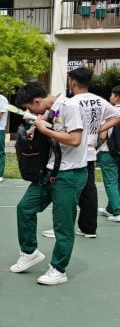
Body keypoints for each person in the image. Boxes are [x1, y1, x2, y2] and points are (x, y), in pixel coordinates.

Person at [9, 82, 88, 286]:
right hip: (49, 171)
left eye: (29, 107)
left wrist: (46, 130)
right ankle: (29, 252)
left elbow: (75, 139)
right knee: (25, 208)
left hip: (69, 174)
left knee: (62, 225)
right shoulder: (51, 111)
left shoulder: (69, 107)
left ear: (37, 101)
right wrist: (37, 130)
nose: (29, 111)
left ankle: (58, 269)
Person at [41, 67, 120, 240]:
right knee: (88, 191)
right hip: (90, 152)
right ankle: (88, 228)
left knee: (66, 192)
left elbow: (56, 122)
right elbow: (116, 116)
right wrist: (99, 128)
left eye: (69, 81)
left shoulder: (71, 102)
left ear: (73, 82)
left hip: (72, 153)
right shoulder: (99, 101)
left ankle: (62, 228)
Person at [97, 86, 120, 223]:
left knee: (111, 181)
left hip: (109, 151)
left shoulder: (110, 112)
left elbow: (103, 135)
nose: (110, 97)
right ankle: (111, 208)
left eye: (111, 95)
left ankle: (117, 211)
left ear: (117, 97)